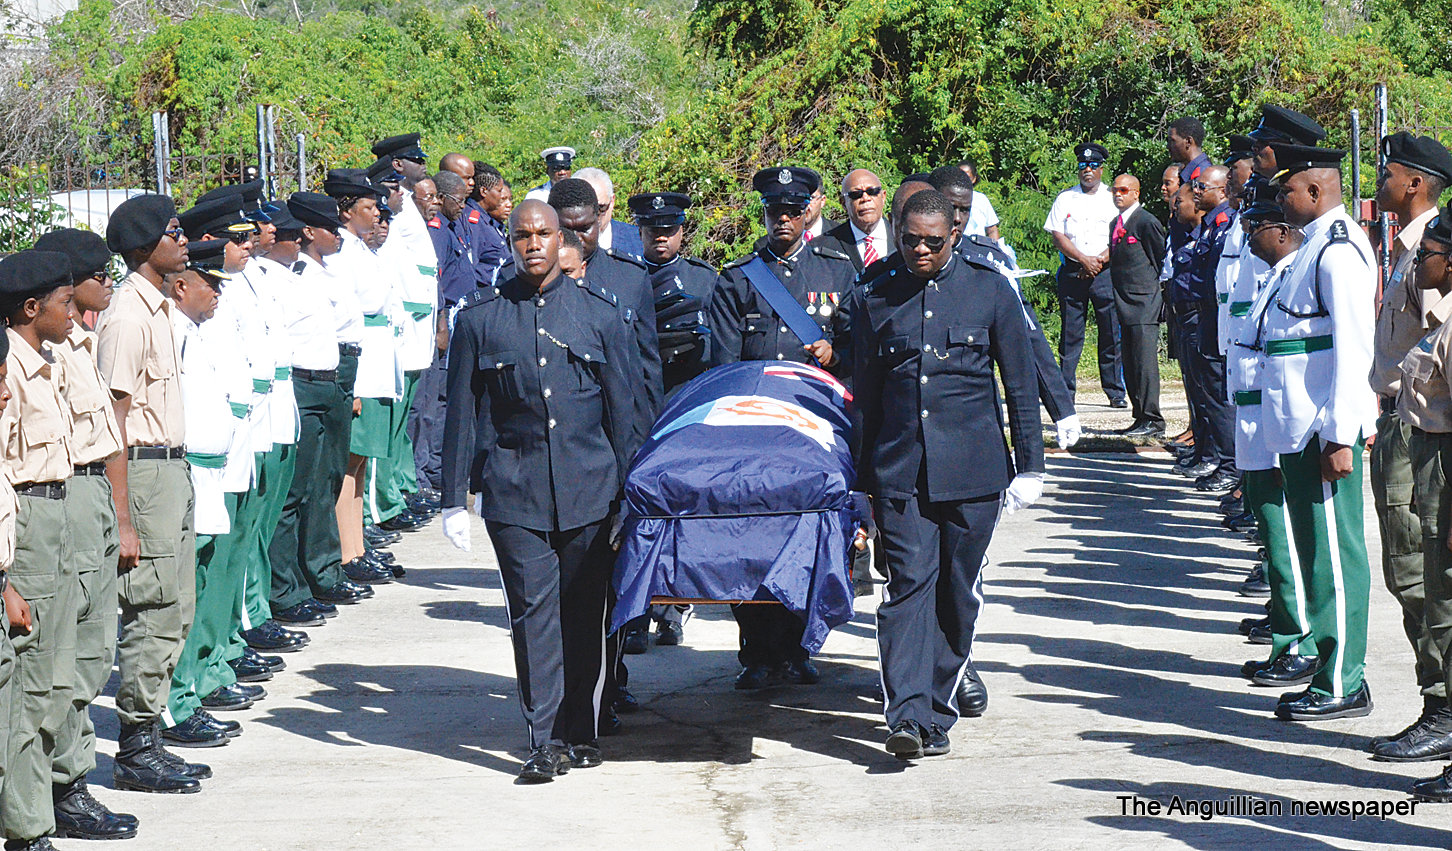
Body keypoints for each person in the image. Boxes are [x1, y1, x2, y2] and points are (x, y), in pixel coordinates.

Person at [439, 199, 637, 782]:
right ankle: (544, 738)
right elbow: (463, 417)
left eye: (543, 234)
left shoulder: (599, 314)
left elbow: (624, 414)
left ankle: (582, 727)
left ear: (562, 240)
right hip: (515, 490)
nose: (532, 245)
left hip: (591, 490)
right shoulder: (481, 317)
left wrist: (633, 495)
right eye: (521, 235)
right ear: (509, 238)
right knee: (532, 616)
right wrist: (455, 497)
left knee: (584, 615)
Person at [849, 189, 1045, 759]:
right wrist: (862, 483)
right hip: (900, 471)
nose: (919, 251)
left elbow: (1021, 383)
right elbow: (866, 398)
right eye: (909, 240)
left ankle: (938, 706)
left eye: (932, 242)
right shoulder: (875, 296)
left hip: (975, 471)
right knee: (908, 585)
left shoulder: (990, 290)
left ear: (954, 235)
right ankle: (907, 714)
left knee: (958, 592)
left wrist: (1030, 465)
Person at [707, 166, 856, 690]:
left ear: (808, 214)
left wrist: (836, 353)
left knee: (806, 528)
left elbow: (860, 346)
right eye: (775, 212)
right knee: (749, 533)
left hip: (813, 424)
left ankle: (796, 646)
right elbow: (721, 363)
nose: (784, 221)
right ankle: (756, 650)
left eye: (793, 211)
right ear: (765, 215)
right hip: (752, 425)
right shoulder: (740, 278)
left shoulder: (838, 269)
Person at [1256, 143, 1376, 721]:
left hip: (1322, 429)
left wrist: (1341, 434)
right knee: (1315, 553)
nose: (1281, 200)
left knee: (1334, 553)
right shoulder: (1310, 249)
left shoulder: (1337, 251)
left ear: (1314, 191)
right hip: (1299, 425)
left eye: (1286, 190)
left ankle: (1343, 679)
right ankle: (1329, 670)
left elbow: (1356, 351)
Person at [97, 195, 209, 794]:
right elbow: (111, 417)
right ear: (144, 248)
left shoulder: (159, 307)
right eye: (173, 232)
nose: (184, 239)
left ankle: (151, 735)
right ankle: (136, 746)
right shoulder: (128, 317)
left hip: (171, 465)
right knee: (153, 609)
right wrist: (122, 514)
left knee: (177, 605)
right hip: (141, 472)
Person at [28, 229, 135, 838]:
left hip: (90, 493)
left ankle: (67, 775)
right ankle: (63, 783)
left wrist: (119, 516)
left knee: (93, 649)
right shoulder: (46, 351)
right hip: (62, 497)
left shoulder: (79, 341)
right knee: (63, 655)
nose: (104, 287)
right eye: (94, 277)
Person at [1368, 133, 1452, 761]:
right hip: (1399, 420)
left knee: (1418, 569)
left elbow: (1433, 353)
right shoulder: (1407, 248)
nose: (1380, 183)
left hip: (1420, 426)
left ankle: (1443, 703)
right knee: (1406, 571)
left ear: (1417, 183)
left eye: (1389, 172)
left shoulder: (1434, 250)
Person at [0, 251, 88, 849]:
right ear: (31, 308)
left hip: (48, 521)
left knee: (54, 676)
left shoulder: (49, 362)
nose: (74, 312)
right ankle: (27, 827)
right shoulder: (10, 367)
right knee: (27, 689)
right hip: (24, 534)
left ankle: (41, 811)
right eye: (64, 302)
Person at [1230, 186, 1318, 690]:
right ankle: (1287, 631)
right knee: (1270, 531)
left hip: (1272, 421)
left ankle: (1299, 640)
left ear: (1282, 232)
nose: (1247, 237)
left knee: (1283, 537)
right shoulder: (1273, 277)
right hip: (1251, 421)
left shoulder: (1290, 277)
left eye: (1254, 229)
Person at [1395, 207, 1452, 801]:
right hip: (1434, 459)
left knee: (1450, 614)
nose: (1422, 264)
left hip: (1447, 467)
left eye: (1430, 255)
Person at [1044, 142, 1125, 407]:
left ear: (1102, 169)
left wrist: (1099, 261)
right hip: (1073, 272)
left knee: (1111, 333)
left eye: (1092, 166)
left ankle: (1115, 392)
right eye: (1082, 165)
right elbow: (1058, 235)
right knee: (1071, 334)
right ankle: (1065, 392)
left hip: (1104, 272)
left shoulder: (1113, 198)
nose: (1087, 170)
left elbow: (1120, 235)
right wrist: (1083, 260)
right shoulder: (1065, 198)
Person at [1182, 164, 1238, 492]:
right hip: (1205, 318)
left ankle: (1230, 466)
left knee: (1220, 397)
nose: (1197, 191)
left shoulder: (1225, 223)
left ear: (1221, 191)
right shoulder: (1210, 225)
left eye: (1203, 186)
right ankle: (1224, 461)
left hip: (1218, 319)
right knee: (1209, 395)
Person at [1107, 175, 1167, 437]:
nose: (1117, 194)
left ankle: (1153, 418)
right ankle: (1139, 414)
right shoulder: (1115, 223)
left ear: (1135, 193)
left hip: (1144, 301)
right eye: (1114, 190)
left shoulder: (1146, 221)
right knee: (1130, 362)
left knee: (1144, 362)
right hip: (1123, 300)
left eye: (1123, 190)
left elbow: (1159, 260)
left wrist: (1157, 296)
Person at [819, 169, 890, 273]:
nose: (865, 198)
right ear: (843, 203)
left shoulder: (903, 239)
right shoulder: (823, 247)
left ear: (883, 197)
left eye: (872, 192)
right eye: (856, 194)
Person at [574, 167, 644, 259]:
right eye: (584, 209)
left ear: (612, 202)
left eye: (600, 208)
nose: (593, 216)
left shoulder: (638, 240)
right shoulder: (560, 241)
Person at [956, 157, 1001, 241]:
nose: (963, 180)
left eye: (967, 177)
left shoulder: (981, 199)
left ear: (974, 179)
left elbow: (992, 230)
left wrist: (995, 249)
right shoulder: (949, 198)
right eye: (960, 176)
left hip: (978, 248)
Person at [1169, 116, 1212, 185]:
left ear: (1188, 142)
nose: (1168, 147)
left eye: (1173, 141)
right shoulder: (1188, 173)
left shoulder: (1203, 175)